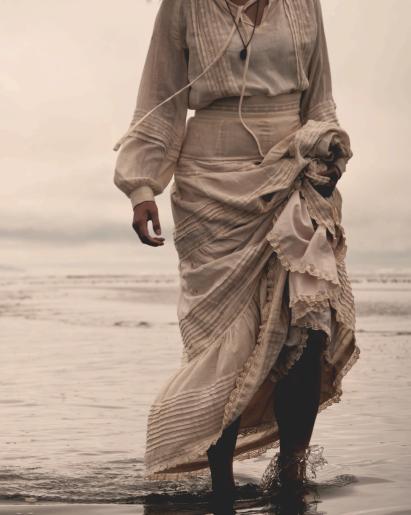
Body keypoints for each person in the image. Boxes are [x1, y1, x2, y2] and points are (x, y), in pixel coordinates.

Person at [112, 0, 360, 511]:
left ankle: (292, 473)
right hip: (209, 181)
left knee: (308, 326)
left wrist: (328, 154)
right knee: (224, 334)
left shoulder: (302, 4)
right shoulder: (184, 6)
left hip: (294, 170)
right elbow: (159, 101)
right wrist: (141, 187)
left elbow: (321, 98)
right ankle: (219, 483)